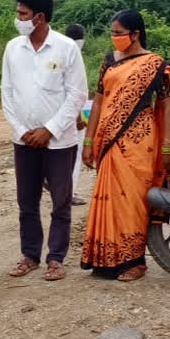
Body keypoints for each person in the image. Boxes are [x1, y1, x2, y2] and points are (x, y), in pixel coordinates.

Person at [80, 10, 170, 281]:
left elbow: (168, 105)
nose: (114, 38)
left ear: (135, 34)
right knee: (110, 198)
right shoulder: (108, 62)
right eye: (112, 32)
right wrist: (88, 141)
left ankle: (134, 261)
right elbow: (99, 101)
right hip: (108, 139)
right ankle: (105, 258)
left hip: (139, 140)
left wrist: (168, 145)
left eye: (119, 32)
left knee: (132, 200)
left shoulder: (155, 63)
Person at [1, 0, 88, 282]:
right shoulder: (14, 47)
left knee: (61, 200)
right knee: (27, 201)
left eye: (22, 13)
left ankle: (56, 258)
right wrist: (23, 130)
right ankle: (30, 255)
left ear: (38, 17)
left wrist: (49, 130)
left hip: (60, 141)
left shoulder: (66, 48)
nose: (18, 18)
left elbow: (77, 95)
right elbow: (7, 92)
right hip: (24, 140)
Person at [64, 23, 89, 207]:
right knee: (75, 154)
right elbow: (73, 91)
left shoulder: (60, 52)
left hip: (58, 114)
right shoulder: (74, 55)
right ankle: (68, 193)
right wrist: (79, 118)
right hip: (72, 115)